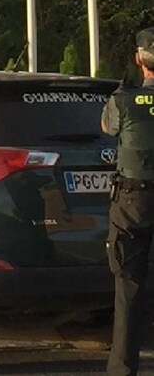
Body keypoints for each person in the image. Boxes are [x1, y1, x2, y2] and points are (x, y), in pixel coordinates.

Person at [102, 28, 154, 376]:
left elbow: (107, 128)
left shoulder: (124, 100)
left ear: (139, 59)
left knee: (128, 290)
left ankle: (123, 370)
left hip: (134, 203)